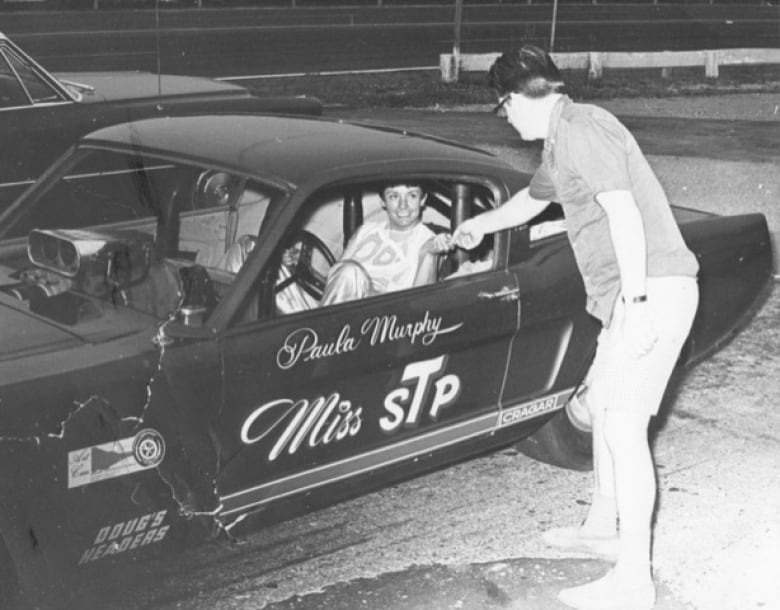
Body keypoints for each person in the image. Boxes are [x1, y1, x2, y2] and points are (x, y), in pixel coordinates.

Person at [451, 45, 699, 610]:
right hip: (632, 295)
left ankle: (635, 583)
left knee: (622, 428)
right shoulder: (562, 141)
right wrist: (479, 225)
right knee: (606, 412)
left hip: (651, 289)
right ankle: (603, 528)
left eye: (502, 107)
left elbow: (624, 213)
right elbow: (530, 202)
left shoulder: (583, 129)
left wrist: (635, 304)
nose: (506, 119)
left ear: (515, 97)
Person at [272, 182, 451, 312]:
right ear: (383, 202)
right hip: (331, 309)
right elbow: (335, 281)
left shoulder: (428, 241)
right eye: (394, 196)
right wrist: (295, 266)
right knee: (250, 246)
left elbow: (420, 306)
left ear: (423, 200)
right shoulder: (366, 230)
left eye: (412, 195)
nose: (403, 205)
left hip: (376, 323)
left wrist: (429, 254)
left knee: (351, 272)